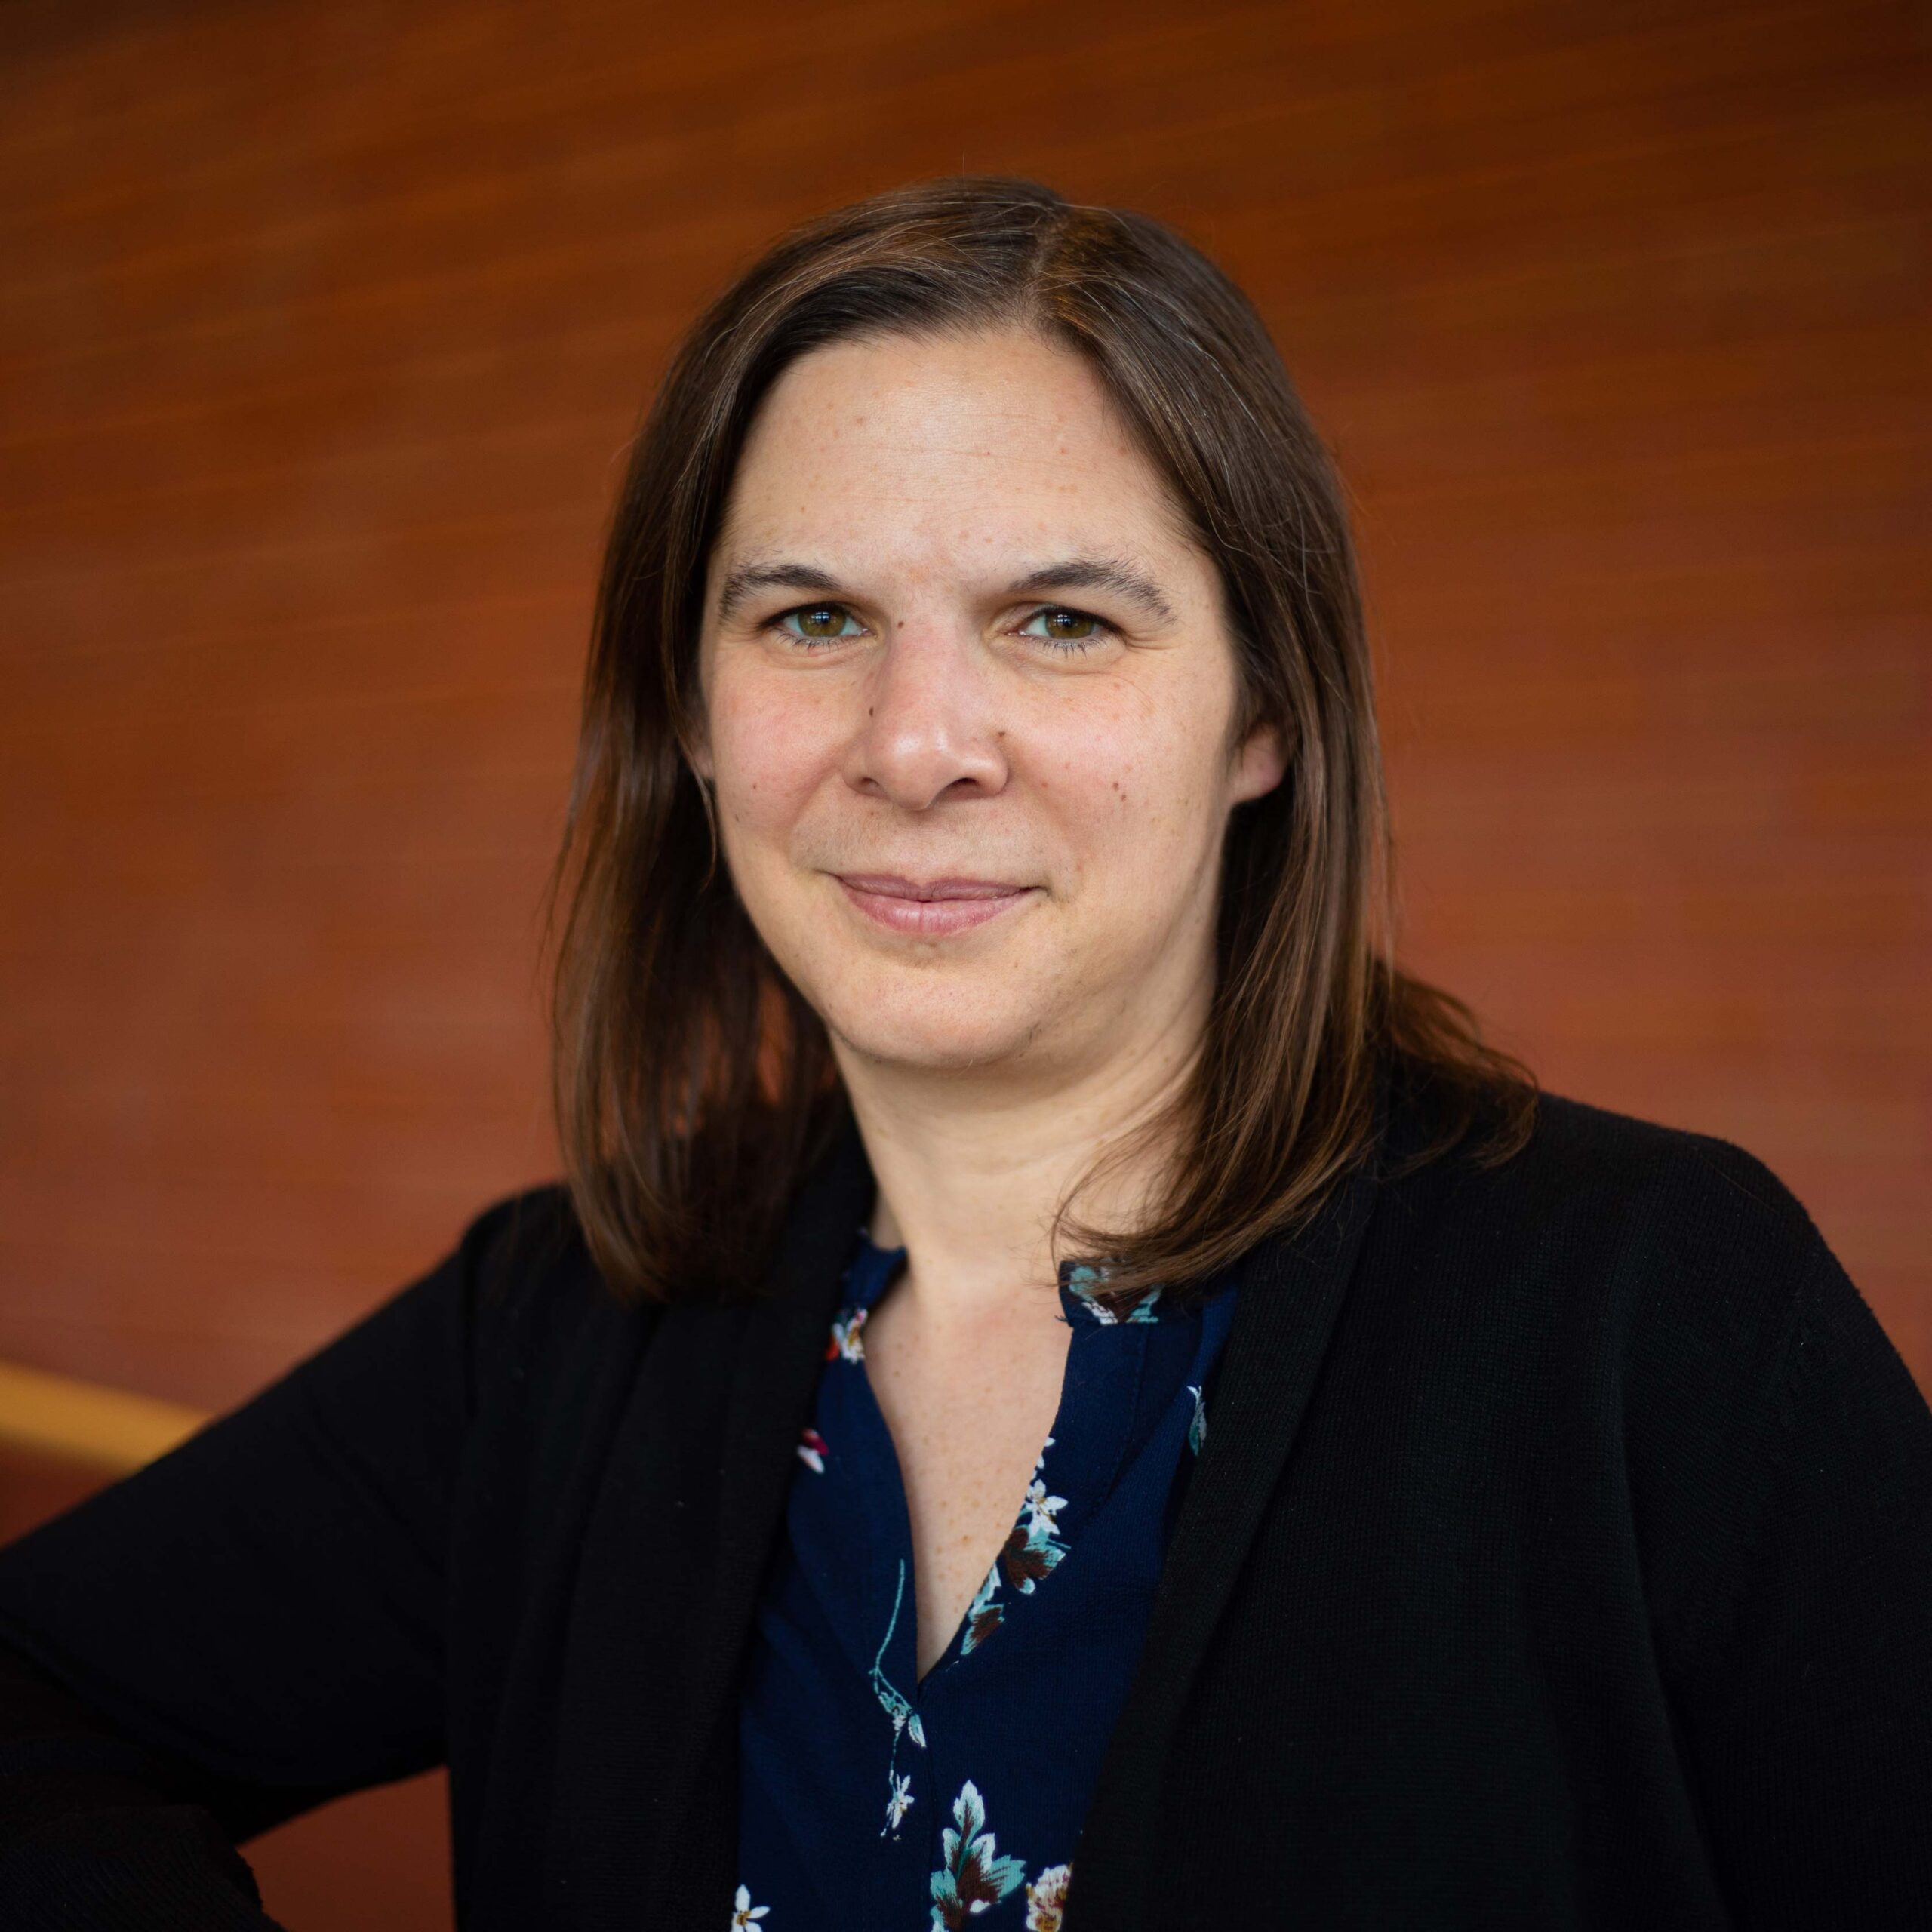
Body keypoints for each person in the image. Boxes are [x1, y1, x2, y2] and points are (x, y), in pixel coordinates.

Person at [1, 177, 1928, 1932]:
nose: (917, 743)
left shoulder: (1652, 1316)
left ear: (1265, 714)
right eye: (814, 614)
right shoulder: (562, 1327)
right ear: (689, 707)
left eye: (1062, 619)